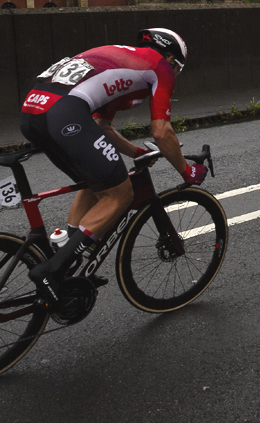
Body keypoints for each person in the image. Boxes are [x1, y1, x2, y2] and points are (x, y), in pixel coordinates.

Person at [21, 28, 206, 299]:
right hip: (63, 114)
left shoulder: (123, 61)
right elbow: (162, 131)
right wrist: (187, 171)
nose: (175, 74)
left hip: (32, 112)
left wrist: (136, 152)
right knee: (120, 194)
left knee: (95, 180)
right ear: (170, 58)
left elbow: (102, 126)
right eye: (179, 68)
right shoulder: (160, 66)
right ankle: (53, 270)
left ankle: (72, 260)